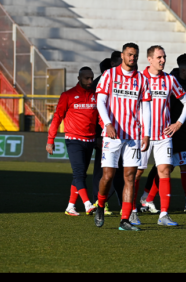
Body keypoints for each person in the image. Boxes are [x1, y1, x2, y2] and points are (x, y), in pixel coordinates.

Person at [139, 54, 186, 215]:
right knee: (164, 169)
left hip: (185, 134)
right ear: (183, 70)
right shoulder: (169, 81)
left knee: (181, 167)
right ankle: (146, 198)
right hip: (168, 133)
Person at [128, 45, 186, 227]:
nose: (162, 60)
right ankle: (132, 211)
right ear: (149, 59)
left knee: (164, 171)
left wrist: (178, 123)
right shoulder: (138, 78)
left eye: (163, 57)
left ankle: (163, 215)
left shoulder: (170, 80)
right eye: (159, 57)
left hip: (164, 135)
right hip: (141, 136)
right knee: (137, 173)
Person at [94, 42, 152, 231]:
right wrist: (108, 123)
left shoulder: (142, 80)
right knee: (108, 176)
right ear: (123, 55)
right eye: (129, 55)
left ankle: (125, 219)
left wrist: (146, 133)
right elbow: (101, 101)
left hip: (134, 136)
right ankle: (100, 205)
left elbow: (146, 108)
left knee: (130, 177)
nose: (132, 58)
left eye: (135, 55)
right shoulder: (109, 75)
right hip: (113, 134)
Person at [47, 67, 98, 216]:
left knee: (81, 175)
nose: (90, 81)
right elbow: (57, 118)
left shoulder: (96, 95)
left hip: (90, 140)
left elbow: (100, 117)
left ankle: (70, 206)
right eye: (87, 78)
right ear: (79, 78)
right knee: (79, 173)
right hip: (74, 140)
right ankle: (87, 204)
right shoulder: (68, 95)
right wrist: (50, 140)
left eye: (91, 78)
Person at [90, 54, 124, 216]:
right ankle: (100, 202)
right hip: (104, 134)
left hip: (122, 134)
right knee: (103, 170)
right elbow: (95, 111)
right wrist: (97, 134)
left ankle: (122, 203)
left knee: (121, 170)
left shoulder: (123, 81)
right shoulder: (100, 83)